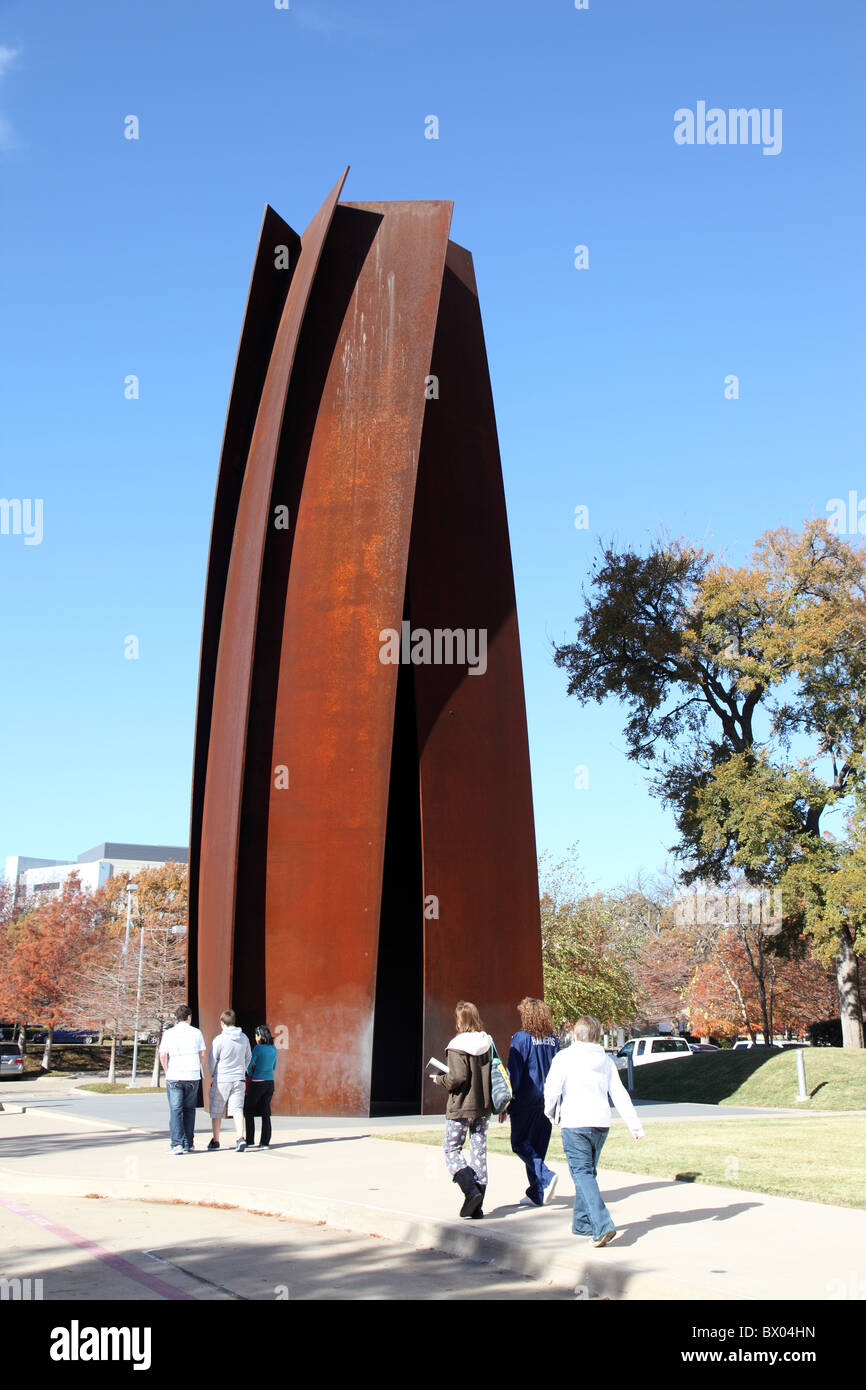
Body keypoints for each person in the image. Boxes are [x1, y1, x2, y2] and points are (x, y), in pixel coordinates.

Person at [543, 1014, 644, 1246]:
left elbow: (552, 1089)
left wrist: (549, 1113)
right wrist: (634, 1125)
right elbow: (619, 1094)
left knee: (582, 1173)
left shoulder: (564, 1058)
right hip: (600, 1124)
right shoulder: (606, 1061)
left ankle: (602, 1225)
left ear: (575, 1035)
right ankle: (582, 1223)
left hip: (575, 1123)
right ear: (597, 1036)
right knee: (587, 1173)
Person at [431, 1001, 493, 1219]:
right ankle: (478, 1205)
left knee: (451, 1149)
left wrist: (440, 1080)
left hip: (461, 1106)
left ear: (460, 1020)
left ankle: (470, 1190)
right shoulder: (487, 1042)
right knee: (479, 1150)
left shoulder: (457, 1045)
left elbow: (458, 1077)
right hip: (483, 1106)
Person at [507, 997, 559, 1207]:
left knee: (520, 1143)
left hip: (526, 1099)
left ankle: (545, 1177)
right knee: (537, 1146)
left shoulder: (520, 1038)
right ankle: (537, 1192)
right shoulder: (553, 1040)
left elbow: (515, 1074)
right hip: (547, 1100)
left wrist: (508, 1101)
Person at [159, 1004, 206, 1155]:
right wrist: (198, 1065)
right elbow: (203, 1053)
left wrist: (167, 1070)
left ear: (176, 1018)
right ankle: (188, 1143)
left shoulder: (169, 1033)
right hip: (192, 1075)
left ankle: (176, 1143)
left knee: (176, 1110)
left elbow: (163, 1055)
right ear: (189, 1018)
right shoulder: (196, 1032)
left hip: (175, 1075)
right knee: (189, 1110)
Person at [207, 1009, 252, 1152]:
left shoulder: (219, 1039)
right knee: (237, 1109)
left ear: (222, 1023)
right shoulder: (243, 1038)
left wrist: (213, 1074)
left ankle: (216, 1140)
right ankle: (240, 1137)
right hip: (239, 1078)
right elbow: (248, 1056)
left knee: (217, 1110)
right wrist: (242, 1069)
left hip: (222, 1079)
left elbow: (212, 1059)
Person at [244, 1024, 278, 1148]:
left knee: (249, 1110)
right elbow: (274, 1066)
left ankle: (249, 1140)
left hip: (257, 1082)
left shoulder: (258, 1048)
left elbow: (249, 1064)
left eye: (256, 1035)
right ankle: (265, 1142)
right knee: (265, 1111)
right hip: (270, 1082)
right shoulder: (273, 1048)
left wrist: (250, 1073)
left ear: (259, 1036)